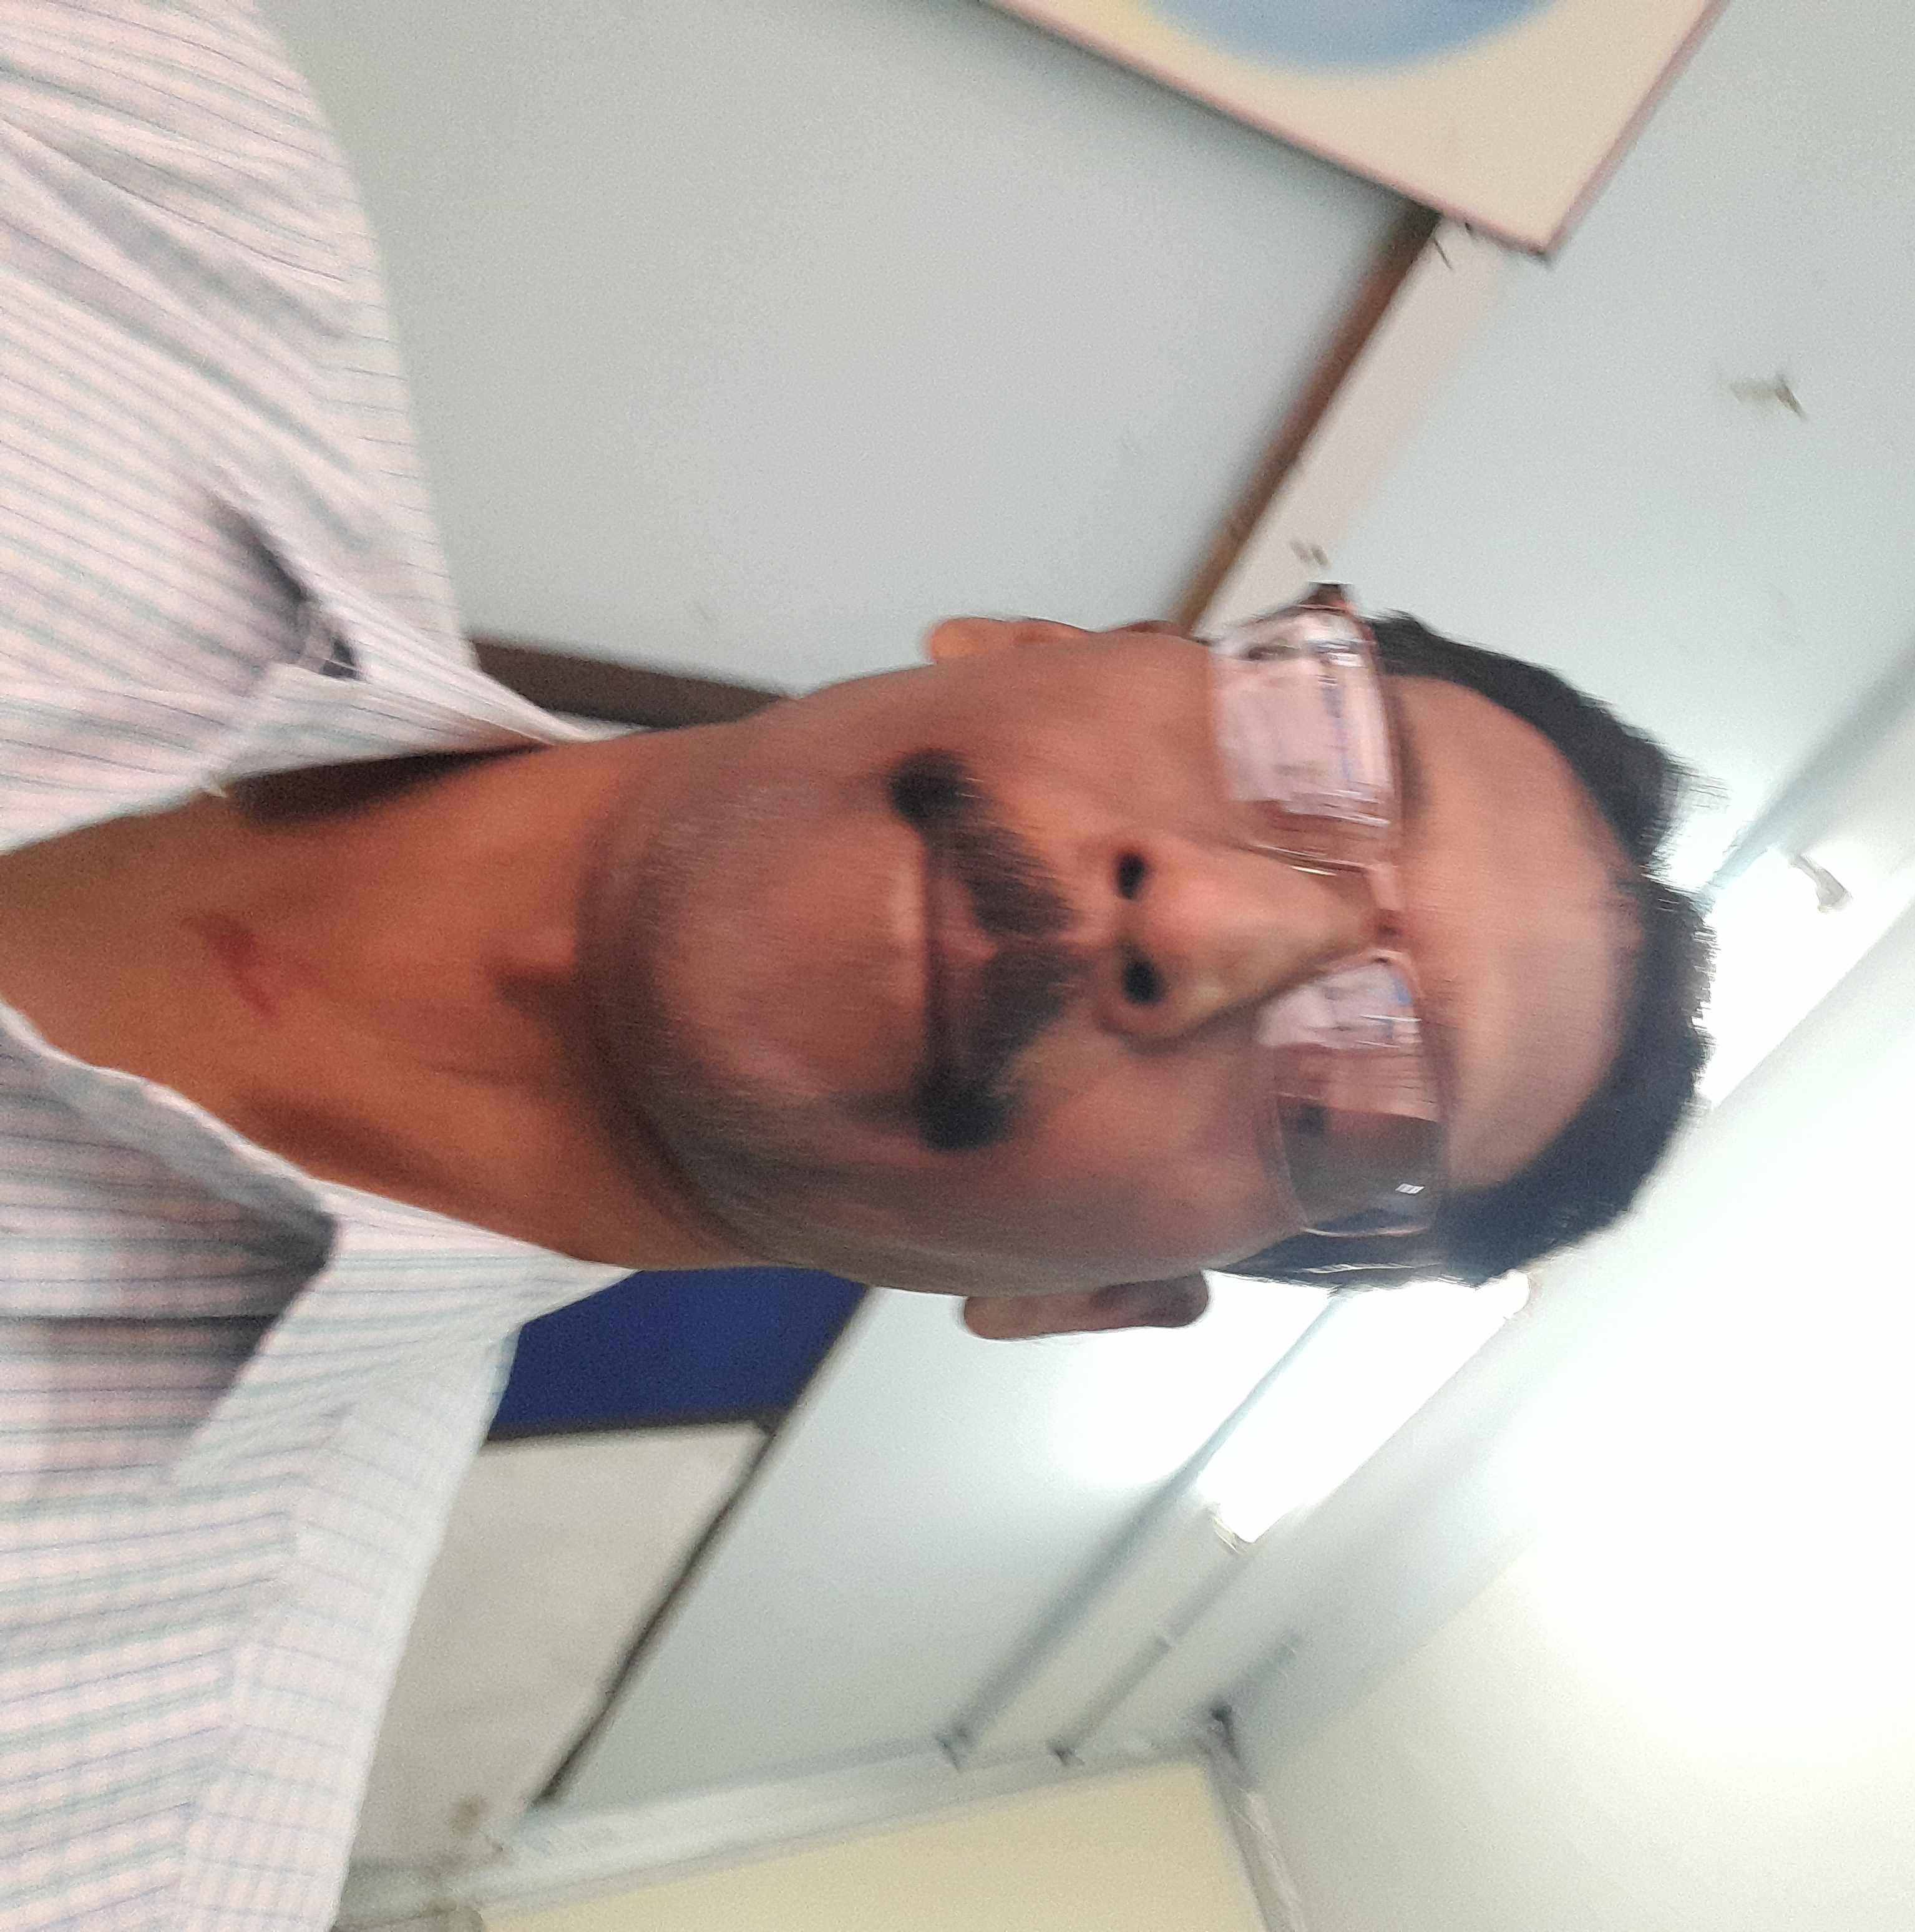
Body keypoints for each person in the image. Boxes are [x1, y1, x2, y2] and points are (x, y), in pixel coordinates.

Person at [0, 2, 1710, 1925]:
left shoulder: (127, 1838)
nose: (1210, 929)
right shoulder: (139, 162)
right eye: (1319, 754)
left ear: (1081, 1303)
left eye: (1364, 1098)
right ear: (1033, 642)